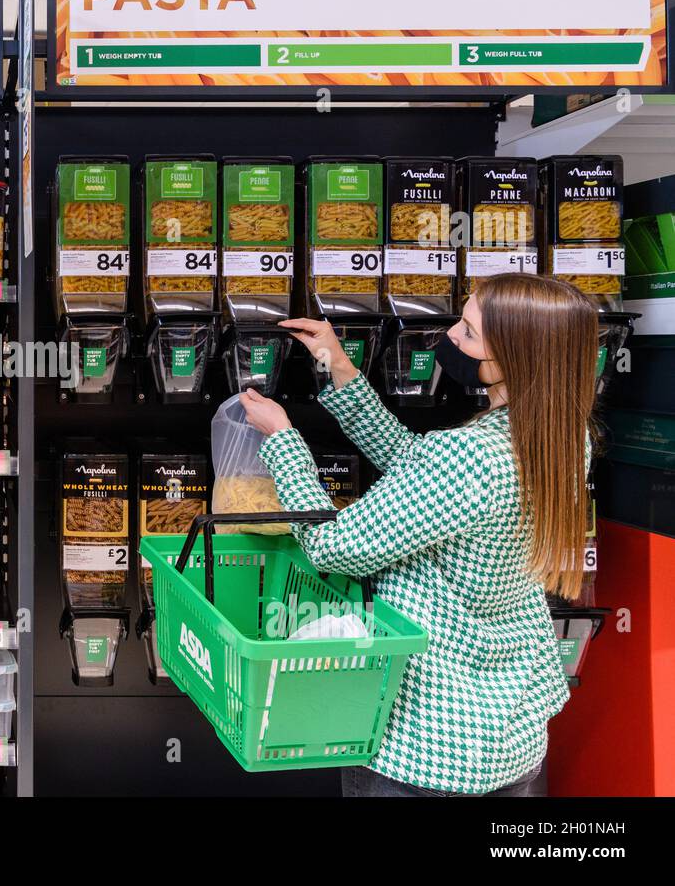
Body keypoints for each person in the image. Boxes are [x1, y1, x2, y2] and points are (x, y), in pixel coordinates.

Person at [241, 273, 597, 797]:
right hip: (510, 731)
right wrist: (340, 369)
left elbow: (332, 546)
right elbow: (420, 470)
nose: (450, 336)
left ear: (516, 359)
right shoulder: (564, 440)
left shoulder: (469, 457)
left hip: (423, 743)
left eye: (470, 334)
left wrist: (285, 442)